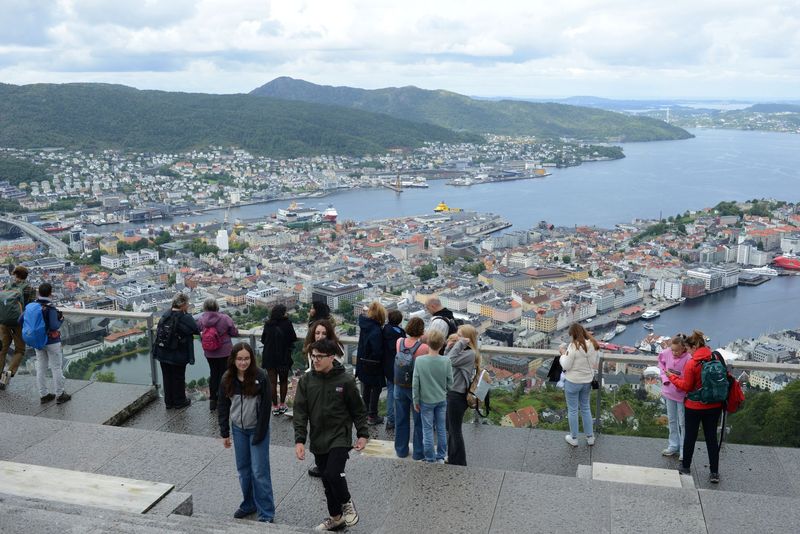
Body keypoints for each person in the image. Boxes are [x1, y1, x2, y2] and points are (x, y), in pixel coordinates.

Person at [294, 339, 369, 531]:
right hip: (318, 438)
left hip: (340, 436)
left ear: (331, 357)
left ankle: (347, 503)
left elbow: (358, 410)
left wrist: (362, 434)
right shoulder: (306, 381)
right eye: (313, 356)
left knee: (333, 473)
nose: (315, 360)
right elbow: (300, 412)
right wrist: (299, 440)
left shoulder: (345, 381)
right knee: (327, 481)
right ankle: (336, 518)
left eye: (320, 356)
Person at [218, 342, 275, 523]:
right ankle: (249, 503)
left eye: (247, 358)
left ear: (252, 359)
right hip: (238, 429)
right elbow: (222, 405)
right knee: (243, 470)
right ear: (233, 360)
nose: (243, 362)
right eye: (240, 359)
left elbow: (266, 408)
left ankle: (266, 512)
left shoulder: (261, 376)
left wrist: (260, 434)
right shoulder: (227, 378)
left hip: (257, 429)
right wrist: (224, 432)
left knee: (259, 471)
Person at [667, 330, 723, 483]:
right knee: (711, 438)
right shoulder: (716, 357)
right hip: (714, 405)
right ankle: (714, 472)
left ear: (693, 347)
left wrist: (672, 377)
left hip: (695, 406)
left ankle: (685, 467)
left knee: (690, 436)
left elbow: (686, 386)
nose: (688, 352)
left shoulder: (692, 363)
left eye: (688, 349)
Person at [302, 319, 346, 479]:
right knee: (317, 429)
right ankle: (322, 464)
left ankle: (334, 464)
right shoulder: (311, 349)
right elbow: (312, 368)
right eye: (317, 333)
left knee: (333, 429)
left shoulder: (335, 349)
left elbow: (336, 370)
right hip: (316, 393)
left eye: (323, 333)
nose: (320, 336)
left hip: (332, 394)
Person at [413, 330, 453, 463]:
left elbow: (415, 383)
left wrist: (415, 400)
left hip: (425, 400)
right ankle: (441, 456)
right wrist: (444, 390)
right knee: (441, 429)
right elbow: (450, 383)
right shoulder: (446, 361)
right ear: (442, 344)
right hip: (441, 399)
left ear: (428, 343)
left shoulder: (420, 360)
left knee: (427, 430)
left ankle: (430, 458)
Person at [153, 293, 199, 409]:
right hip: (178, 353)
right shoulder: (185, 317)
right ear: (183, 304)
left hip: (162, 352)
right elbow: (196, 329)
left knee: (167, 377)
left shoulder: (166, 314)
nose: (188, 305)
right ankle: (179, 401)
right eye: (187, 303)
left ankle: (169, 402)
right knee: (178, 377)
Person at [28, 283, 70, 405]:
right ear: (50, 293)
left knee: (41, 367)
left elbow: (21, 319)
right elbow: (53, 326)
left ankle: (44, 395)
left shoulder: (32, 306)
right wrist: (61, 320)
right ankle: (60, 394)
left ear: (38, 293)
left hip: (38, 341)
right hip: (52, 341)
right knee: (56, 368)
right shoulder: (50, 308)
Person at [444, 324, 480, 466]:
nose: (457, 337)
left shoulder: (469, 354)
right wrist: (449, 347)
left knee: (455, 430)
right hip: (452, 393)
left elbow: (449, 361)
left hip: (457, 396)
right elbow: (446, 360)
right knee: (450, 428)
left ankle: (459, 462)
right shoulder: (463, 351)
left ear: (467, 338)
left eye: (460, 335)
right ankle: (452, 457)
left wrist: (458, 344)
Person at [394, 317, 428, 459]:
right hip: (416, 388)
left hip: (399, 385)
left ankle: (401, 450)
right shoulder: (423, 348)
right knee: (419, 421)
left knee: (401, 419)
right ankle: (418, 453)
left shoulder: (399, 342)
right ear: (422, 330)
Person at [559, 323, 599, 447]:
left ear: (574, 334)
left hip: (573, 381)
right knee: (586, 408)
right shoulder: (593, 344)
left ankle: (574, 438)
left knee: (573, 410)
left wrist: (562, 354)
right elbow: (595, 362)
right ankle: (590, 437)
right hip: (587, 381)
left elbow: (566, 366)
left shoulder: (573, 346)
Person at [197, 298, 239, 411]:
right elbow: (234, 332)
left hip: (209, 352)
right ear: (217, 306)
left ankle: (213, 400)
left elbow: (198, 331)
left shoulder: (201, 319)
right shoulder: (225, 318)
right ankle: (224, 399)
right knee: (225, 374)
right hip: (225, 351)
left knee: (214, 374)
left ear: (205, 307)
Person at [0, 265, 37, 390]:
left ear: (15, 274)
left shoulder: (6, 286)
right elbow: (31, 307)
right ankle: (8, 373)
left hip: (4, 322)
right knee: (20, 350)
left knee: (2, 349)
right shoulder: (30, 289)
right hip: (19, 323)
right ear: (26, 276)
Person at [658, 333, 691, 459]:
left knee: (683, 422)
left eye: (677, 351)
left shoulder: (688, 358)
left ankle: (684, 449)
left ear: (684, 348)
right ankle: (673, 445)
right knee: (672, 420)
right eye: (672, 350)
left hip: (682, 394)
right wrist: (665, 378)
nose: (674, 353)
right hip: (669, 391)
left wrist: (678, 382)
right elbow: (661, 364)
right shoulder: (667, 353)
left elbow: (689, 377)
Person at [261, 304, 297, 416]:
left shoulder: (268, 324)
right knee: (283, 381)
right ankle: (282, 404)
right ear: (282, 313)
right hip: (283, 357)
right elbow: (293, 338)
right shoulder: (287, 323)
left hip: (269, 356)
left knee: (272, 382)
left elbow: (263, 339)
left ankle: (275, 406)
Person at [355, 301, 386, 425]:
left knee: (366, 388)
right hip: (373, 364)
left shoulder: (365, 325)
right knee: (376, 388)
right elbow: (377, 350)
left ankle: (365, 413)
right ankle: (372, 415)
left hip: (362, 361)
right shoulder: (376, 329)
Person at [381, 310, 405, 431]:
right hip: (399, 365)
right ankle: (400, 419)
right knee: (400, 393)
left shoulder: (384, 330)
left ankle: (390, 420)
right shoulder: (401, 333)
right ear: (400, 320)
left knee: (390, 392)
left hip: (387, 365)